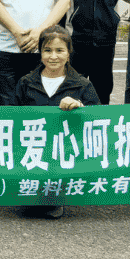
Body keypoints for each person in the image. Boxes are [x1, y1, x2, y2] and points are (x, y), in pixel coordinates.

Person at [14, 25, 100, 220]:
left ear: (69, 53)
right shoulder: (26, 82)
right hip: (33, 149)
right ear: (40, 53)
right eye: (47, 50)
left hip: (66, 151)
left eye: (60, 50)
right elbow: (12, 118)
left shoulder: (82, 85)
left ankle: (56, 194)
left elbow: (98, 121)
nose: (53, 56)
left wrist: (79, 107)